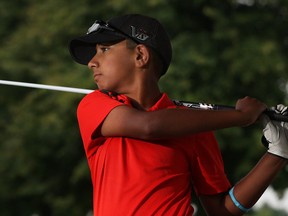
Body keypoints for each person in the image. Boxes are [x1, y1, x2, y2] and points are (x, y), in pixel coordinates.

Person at [69, 14, 288, 216]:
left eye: (104, 49)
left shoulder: (193, 126)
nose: (92, 62)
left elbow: (222, 210)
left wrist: (277, 154)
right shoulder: (94, 104)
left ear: (140, 55)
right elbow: (149, 127)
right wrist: (241, 117)